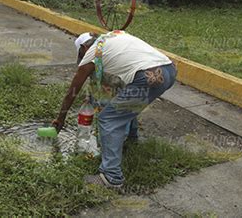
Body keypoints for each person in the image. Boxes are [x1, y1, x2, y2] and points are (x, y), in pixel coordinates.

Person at [52, 30, 177, 189]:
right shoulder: (112, 37)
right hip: (168, 70)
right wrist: (93, 96)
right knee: (125, 104)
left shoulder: (92, 53)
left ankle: (111, 177)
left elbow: (72, 93)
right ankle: (131, 140)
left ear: (83, 47)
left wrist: (60, 118)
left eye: (80, 54)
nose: (82, 58)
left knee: (109, 118)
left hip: (148, 77)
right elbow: (114, 81)